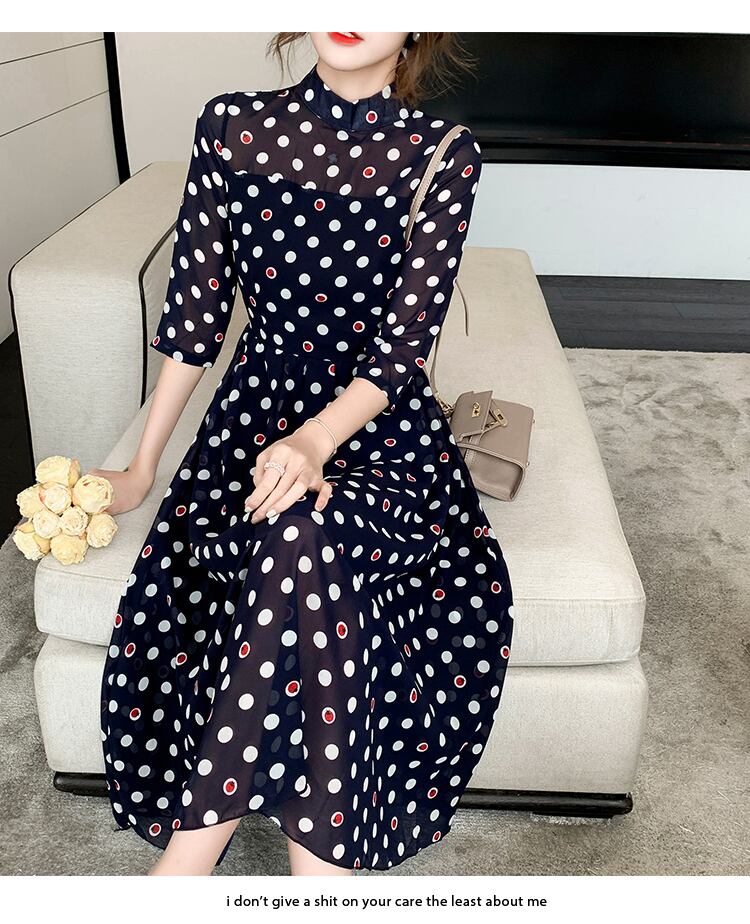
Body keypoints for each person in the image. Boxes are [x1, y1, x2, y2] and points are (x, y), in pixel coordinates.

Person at [93, 31, 515, 877]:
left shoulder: (442, 153)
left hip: (379, 433)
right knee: (292, 529)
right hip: (252, 422)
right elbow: (195, 316)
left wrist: (318, 438)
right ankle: (321, 884)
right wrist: (142, 467)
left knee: (303, 529)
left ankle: (184, 873)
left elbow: (403, 350)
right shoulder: (231, 124)